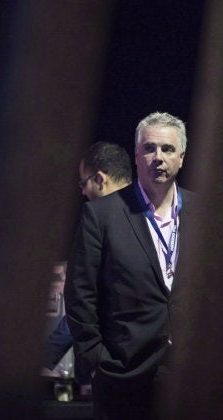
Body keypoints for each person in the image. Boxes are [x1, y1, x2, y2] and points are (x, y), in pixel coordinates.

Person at [64, 112, 196, 419]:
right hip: (123, 375)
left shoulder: (205, 212)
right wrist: (96, 361)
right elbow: (80, 294)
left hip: (189, 377)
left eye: (167, 150)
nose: (158, 158)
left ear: (182, 158)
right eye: (149, 149)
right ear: (136, 157)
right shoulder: (103, 214)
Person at [42, 141, 133, 387]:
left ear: (101, 179)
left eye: (84, 183)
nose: (82, 192)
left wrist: (45, 357)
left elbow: (82, 301)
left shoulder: (98, 220)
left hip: (111, 369)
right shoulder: (161, 216)